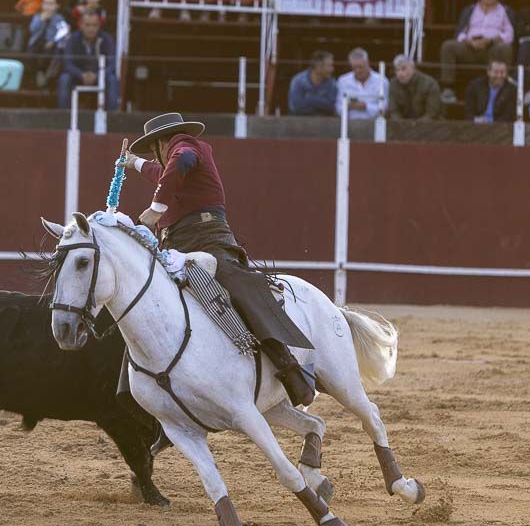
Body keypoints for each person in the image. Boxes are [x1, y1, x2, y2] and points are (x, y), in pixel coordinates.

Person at [119, 112, 319, 408]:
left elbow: (181, 162)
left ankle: (290, 369)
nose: (156, 157)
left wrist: (156, 208)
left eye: (154, 151)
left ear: (163, 143)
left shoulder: (186, 146)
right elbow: (163, 173)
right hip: (176, 243)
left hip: (208, 238)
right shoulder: (172, 162)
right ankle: (141, 387)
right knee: (147, 298)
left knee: (236, 286)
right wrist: (132, 162)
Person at [439, 0, 514, 102]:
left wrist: (491, 41)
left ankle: (503, 87)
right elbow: (460, 33)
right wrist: (468, 41)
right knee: (448, 46)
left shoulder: (504, 11)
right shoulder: (470, 9)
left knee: (505, 48)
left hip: (491, 50)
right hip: (469, 48)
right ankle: (448, 89)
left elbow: (509, 35)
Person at [58, 9, 117, 110]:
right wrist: (81, 74)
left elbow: (112, 64)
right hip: (78, 76)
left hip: (100, 76)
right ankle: (64, 116)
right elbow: (68, 63)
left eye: (94, 25)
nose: (91, 29)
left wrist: (97, 75)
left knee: (112, 79)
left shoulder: (107, 39)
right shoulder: (72, 39)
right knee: (65, 79)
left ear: (99, 26)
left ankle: (111, 117)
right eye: (87, 25)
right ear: (80, 25)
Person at [27, 0, 70, 87]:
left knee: (55, 53)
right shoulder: (38, 17)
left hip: (51, 47)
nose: (48, 7)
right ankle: (37, 74)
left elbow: (63, 33)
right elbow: (32, 29)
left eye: (51, 4)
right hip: (37, 45)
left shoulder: (59, 18)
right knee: (32, 53)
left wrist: (54, 41)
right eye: (46, 4)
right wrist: (41, 20)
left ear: (57, 6)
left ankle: (46, 75)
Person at [337, 47, 388, 119]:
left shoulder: (382, 81)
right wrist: (348, 107)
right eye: (354, 67)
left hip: (374, 123)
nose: (358, 70)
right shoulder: (343, 81)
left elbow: (385, 109)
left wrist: (366, 106)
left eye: (361, 67)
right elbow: (338, 108)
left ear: (368, 63)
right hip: (349, 125)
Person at [387, 55, 442, 119]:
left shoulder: (429, 83)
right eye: (397, 70)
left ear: (413, 69)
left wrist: (415, 127)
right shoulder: (393, 84)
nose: (400, 74)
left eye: (403, 69)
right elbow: (393, 111)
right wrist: (402, 125)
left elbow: (432, 113)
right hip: (402, 125)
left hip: (427, 125)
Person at [464, 59, 518, 123]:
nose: (499, 75)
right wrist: (476, 120)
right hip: (477, 125)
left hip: (500, 127)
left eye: (502, 72)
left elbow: (509, 115)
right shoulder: (475, 86)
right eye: (496, 72)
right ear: (488, 72)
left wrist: (493, 125)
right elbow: (468, 111)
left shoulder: (512, 90)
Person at [287, 50, 337, 115]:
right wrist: (320, 105)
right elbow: (296, 107)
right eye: (329, 66)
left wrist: (310, 99)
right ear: (318, 66)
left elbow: (331, 107)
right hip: (298, 121)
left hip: (324, 122)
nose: (332, 69)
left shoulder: (332, 83)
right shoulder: (298, 81)